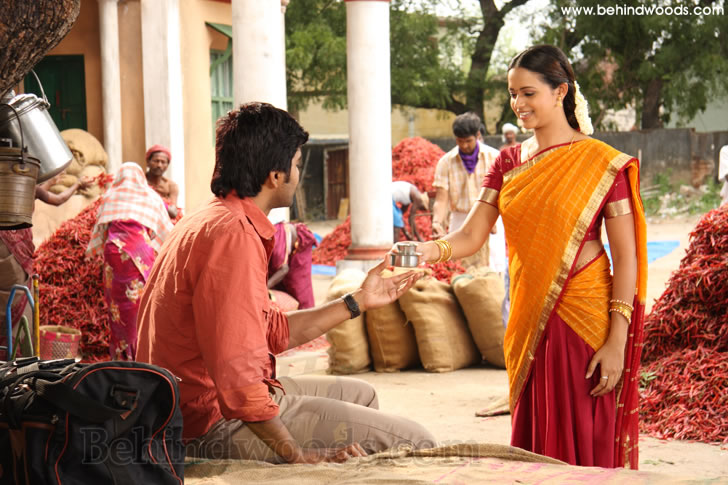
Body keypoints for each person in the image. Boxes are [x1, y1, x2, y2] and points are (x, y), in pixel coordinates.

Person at [135, 102, 436, 465]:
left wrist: (358, 300)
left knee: (362, 394)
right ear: (275, 176)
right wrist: (297, 455)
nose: (297, 174)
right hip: (208, 421)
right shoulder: (233, 235)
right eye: (295, 164)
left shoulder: (213, 215)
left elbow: (272, 332)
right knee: (417, 440)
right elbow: (239, 376)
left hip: (194, 404)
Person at [413, 45, 647, 468]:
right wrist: (426, 250)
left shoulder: (601, 163)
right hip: (526, 314)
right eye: (512, 94)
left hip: (584, 316)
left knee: (583, 432)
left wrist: (617, 340)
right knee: (536, 444)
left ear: (561, 92)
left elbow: (626, 258)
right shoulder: (507, 162)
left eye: (528, 93)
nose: (518, 105)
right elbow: (471, 234)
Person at [87, 162, 173, 361]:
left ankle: (122, 356)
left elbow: (101, 230)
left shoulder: (110, 196)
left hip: (114, 254)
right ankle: (142, 355)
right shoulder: (150, 196)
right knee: (140, 305)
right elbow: (163, 229)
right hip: (140, 253)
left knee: (117, 308)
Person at [0, 175, 92, 353]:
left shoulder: (16, 184)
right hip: (16, 253)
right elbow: (57, 200)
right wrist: (78, 184)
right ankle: (14, 352)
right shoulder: (25, 184)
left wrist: (51, 182)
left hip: (6, 250)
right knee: (19, 296)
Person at [432, 112, 499, 268]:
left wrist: (494, 218)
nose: (464, 146)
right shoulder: (445, 162)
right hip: (460, 220)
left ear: (477, 135)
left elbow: (503, 193)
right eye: (460, 141)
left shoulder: (494, 157)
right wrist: (437, 222)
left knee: (492, 268)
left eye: (468, 141)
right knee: (459, 268)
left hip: (490, 218)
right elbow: (441, 199)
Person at [267, 221, 317, 309]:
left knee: (297, 286)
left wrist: (265, 287)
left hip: (299, 246)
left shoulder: (276, 246)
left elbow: (283, 269)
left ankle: (306, 316)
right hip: (286, 247)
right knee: (277, 284)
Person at [144, 144, 180, 219]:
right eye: (156, 161)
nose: (159, 165)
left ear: (167, 165)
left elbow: (173, 212)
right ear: (148, 162)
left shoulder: (171, 186)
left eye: (163, 162)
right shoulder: (140, 180)